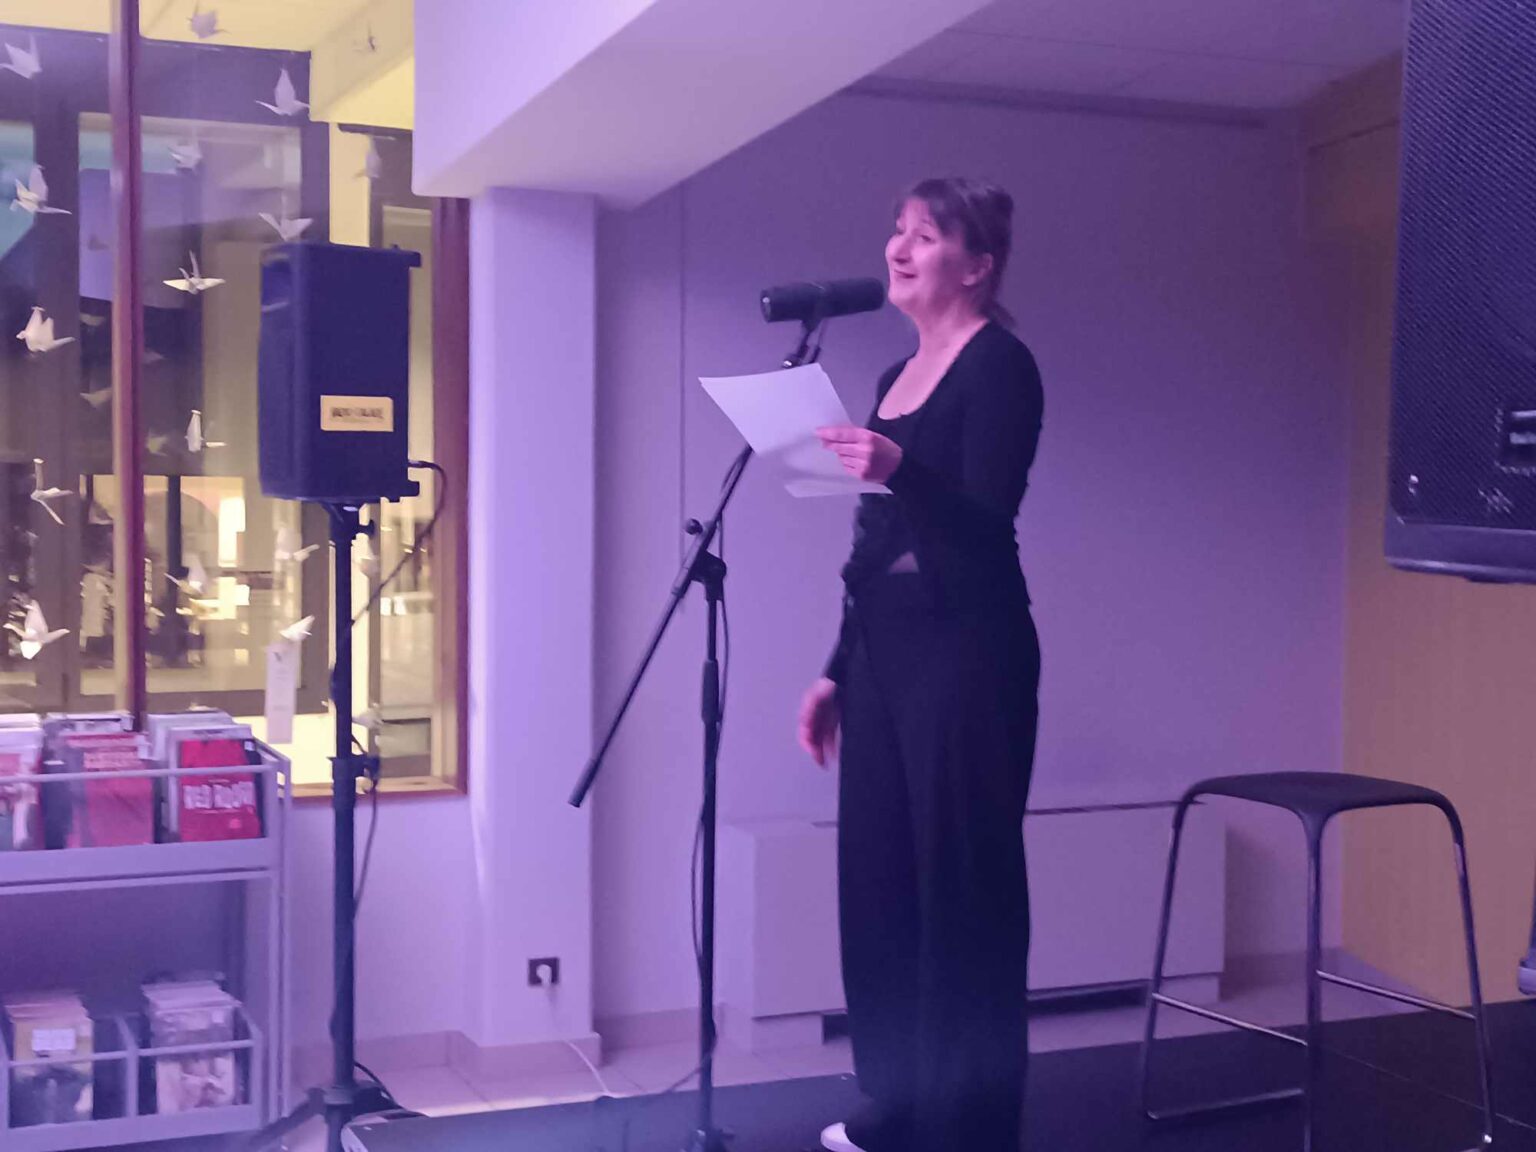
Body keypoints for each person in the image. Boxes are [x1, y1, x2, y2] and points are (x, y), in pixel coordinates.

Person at [799, 176, 1044, 1152]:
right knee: (881, 882)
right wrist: (836, 667)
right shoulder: (895, 374)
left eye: (925, 236)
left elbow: (986, 519)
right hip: (883, 656)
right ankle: (897, 1104)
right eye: (897, 230)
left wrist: (902, 467)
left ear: (977, 265)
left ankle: (967, 1124)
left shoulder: (1002, 367)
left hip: (968, 651)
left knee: (961, 887)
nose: (898, 249)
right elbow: (875, 541)